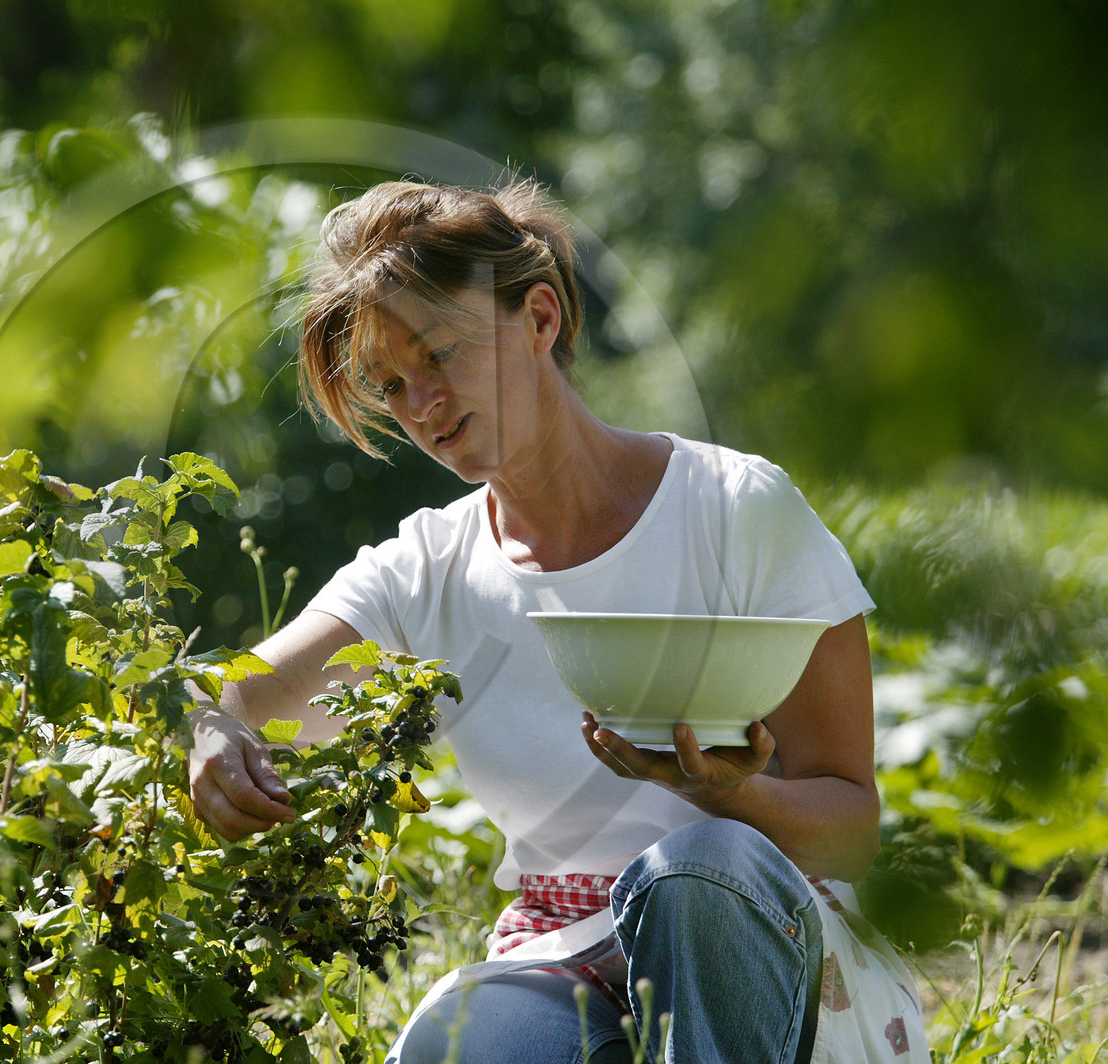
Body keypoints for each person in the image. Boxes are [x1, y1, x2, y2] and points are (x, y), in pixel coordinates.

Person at [187, 178, 929, 1063]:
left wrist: (725, 796)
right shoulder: (426, 570)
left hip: (777, 959)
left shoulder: (735, 510)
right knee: (449, 1044)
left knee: (693, 872)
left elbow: (851, 828)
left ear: (540, 319)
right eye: (389, 385)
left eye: (441, 355)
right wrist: (208, 727)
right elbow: (239, 697)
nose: (422, 407)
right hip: (567, 961)